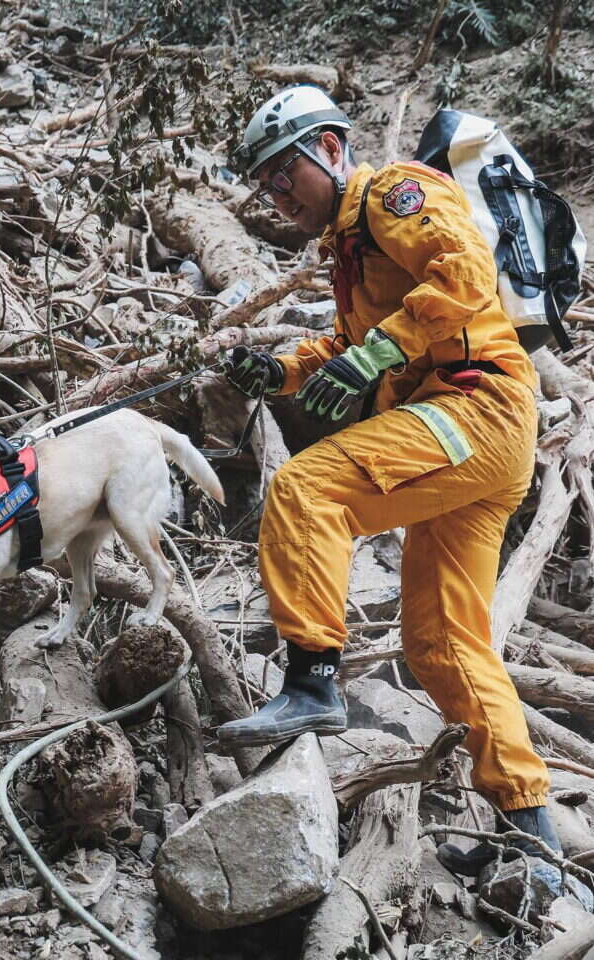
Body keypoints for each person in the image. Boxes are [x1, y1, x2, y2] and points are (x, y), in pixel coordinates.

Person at [216, 85, 560, 876]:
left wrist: (373, 358)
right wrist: (278, 369)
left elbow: (465, 274)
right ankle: (533, 835)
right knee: (442, 645)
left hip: (476, 406)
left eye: (283, 174)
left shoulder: (395, 194)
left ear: (331, 150)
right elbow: (348, 340)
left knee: (308, 489)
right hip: (475, 438)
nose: (275, 196)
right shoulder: (355, 249)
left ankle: (312, 681)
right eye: (264, 185)